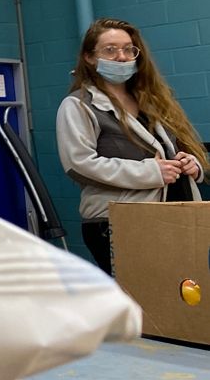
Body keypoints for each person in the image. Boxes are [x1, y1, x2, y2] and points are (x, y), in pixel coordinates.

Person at [56, 17, 206, 274]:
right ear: (89, 57)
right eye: (110, 50)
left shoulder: (153, 101)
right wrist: (150, 172)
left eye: (128, 49)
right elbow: (78, 165)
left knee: (179, 295)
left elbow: (177, 149)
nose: (122, 57)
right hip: (116, 221)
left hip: (174, 215)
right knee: (139, 295)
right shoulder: (78, 105)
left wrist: (192, 165)